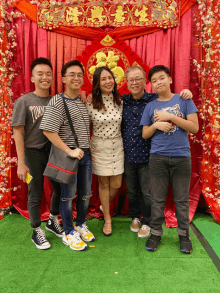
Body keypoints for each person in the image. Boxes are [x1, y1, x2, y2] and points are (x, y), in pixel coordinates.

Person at [122, 66, 193, 238]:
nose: (135, 82)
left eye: (138, 78)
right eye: (131, 79)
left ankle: (150, 222)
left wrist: (186, 92)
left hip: (151, 154)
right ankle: (136, 218)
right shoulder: (122, 100)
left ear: (145, 80)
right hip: (128, 153)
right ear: (126, 82)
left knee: (150, 192)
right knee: (132, 190)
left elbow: (171, 99)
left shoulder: (155, 98)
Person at [141, 65, 199, 253]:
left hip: (181, 157)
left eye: (161, 78)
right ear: (151, 85)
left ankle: (184, 235)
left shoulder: (183, 99)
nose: (158, 82)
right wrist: (156, 124)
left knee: (182, 200)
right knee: (157, 199)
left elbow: (194, 127)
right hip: (157, 158)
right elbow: (144, 134)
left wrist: (171, 117)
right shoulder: (150, 106)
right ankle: (156, 233)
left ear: (170, 79)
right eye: (154, 80)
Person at [40, 60, 94, 251]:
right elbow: (48, 130)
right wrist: (69, 150)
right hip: (69, 156)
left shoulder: (80, 100)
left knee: (85, 195)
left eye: (80, 75)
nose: (76, 78)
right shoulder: (57, 101)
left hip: (85, 155)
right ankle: (68, 232)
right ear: (63, 78)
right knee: (68, 196)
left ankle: (80, 223)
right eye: (72, 74)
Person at [12, 57, 64, 250]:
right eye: (40, 74)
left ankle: (52, 220)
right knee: (35, 192)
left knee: (59, 189)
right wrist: (21, 162)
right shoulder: (23, 101)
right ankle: (36, 229)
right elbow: (17, 132)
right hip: (32, 154)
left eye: (48, 74)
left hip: (54, 152)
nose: (45, 77)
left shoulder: (57, 101)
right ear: (32, 78)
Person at [86, 66, 124, 236]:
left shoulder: (120, 100)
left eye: (110, 78)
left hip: (118, 144)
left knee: (116, 184)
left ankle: (104, 205)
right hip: (99, 146)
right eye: (103, 79)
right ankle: (108, 219)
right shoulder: (90, 102)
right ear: (97, 83)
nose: (108, 81)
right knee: (104, 184)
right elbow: (86, 127)